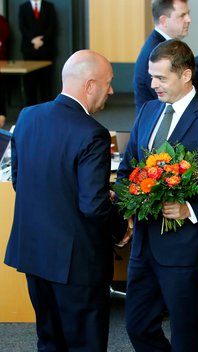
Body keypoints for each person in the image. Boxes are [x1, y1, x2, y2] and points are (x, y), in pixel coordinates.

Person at [118, 39, 198, 352]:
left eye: (161, 78)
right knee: (137, 325)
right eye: (151, 77)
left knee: (185, 332)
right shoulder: (148, 110)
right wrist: (127, 207)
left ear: (186, 75)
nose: (153, 85)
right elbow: (128, 168)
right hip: (144, 243)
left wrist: (189, 208)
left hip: (184, 247)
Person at [4, 50, 125, 351]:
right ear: (89, 85)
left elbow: (21, 180)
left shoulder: (28, 116)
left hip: (34, 252)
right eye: (108, 83)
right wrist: (121, 228)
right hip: (77, 263)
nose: (111, 90)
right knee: (85, 343)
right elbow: (93, 205)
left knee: (49, 339)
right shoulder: (92, 134)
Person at [133, 0, 191, 110]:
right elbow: (171, 97)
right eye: (182, 15)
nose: (189, 19)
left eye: (188, 14)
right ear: (163, 21)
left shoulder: (161, 45)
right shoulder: (157, 53)